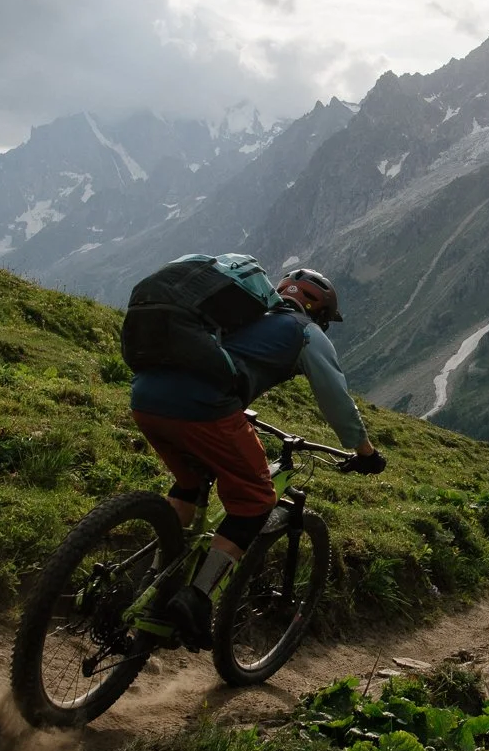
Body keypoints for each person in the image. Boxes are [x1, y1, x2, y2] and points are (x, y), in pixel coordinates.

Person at [128, 264, 385, 648]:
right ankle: (195, 600)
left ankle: (152, 583)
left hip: (146, 395)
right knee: (256, 499)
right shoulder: (306, 332)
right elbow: (336, 399)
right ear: (320, 312)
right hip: (205, 407)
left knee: (190, 481)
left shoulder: (240, 315)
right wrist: (364, 452)